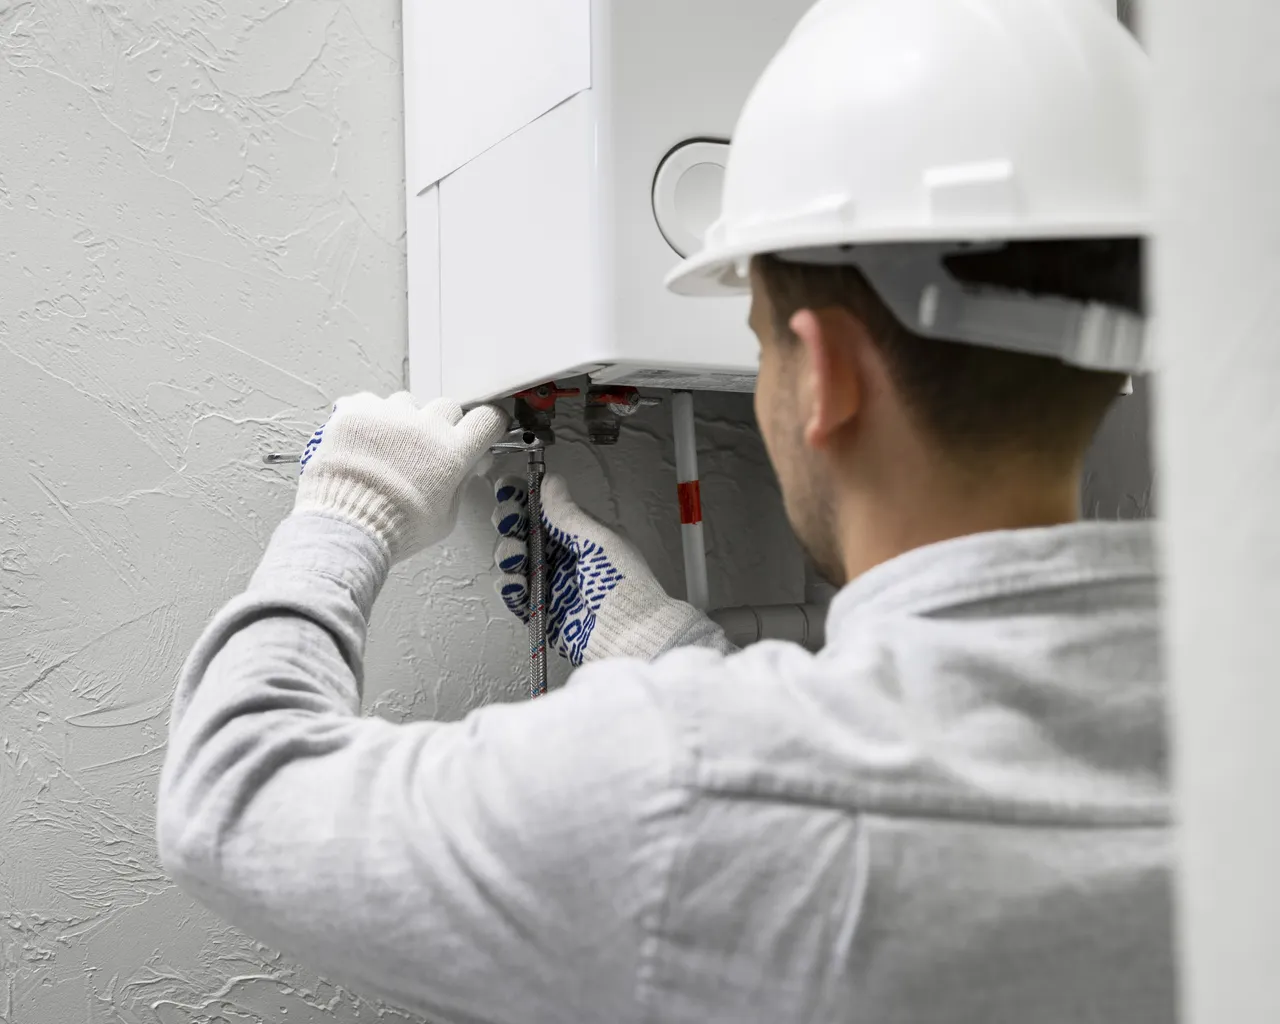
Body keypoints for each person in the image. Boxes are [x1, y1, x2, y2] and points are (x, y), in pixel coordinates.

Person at [157, 0, 1174, 1021]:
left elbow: (235, 794)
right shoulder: (1225, 712)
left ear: (822, 373)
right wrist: (661, 649)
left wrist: (350, 509)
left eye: (760, 340)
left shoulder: (674, 781)